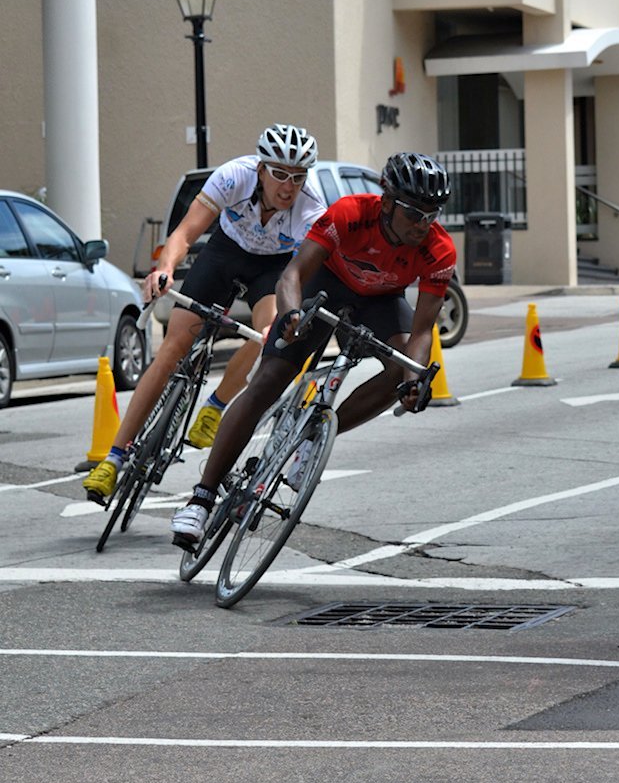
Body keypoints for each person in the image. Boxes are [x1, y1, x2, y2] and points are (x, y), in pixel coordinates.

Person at [169, 150, 457, 549]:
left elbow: (422, 330)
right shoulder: (350, 213)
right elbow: (293, 274)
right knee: (269, 380)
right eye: (414, 213)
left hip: (380, 301)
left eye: (433, 214)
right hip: (327, 283)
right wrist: (289, 316)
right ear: (388, 202)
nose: (423, 224)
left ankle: (317, 435)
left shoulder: (439, 249)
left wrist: (412, 379)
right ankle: (201, 499)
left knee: (399, 365)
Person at [83, 125, 324, 505]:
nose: (288, 186)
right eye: (279, 174)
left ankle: (216, 405)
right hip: (225, 253)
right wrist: (165, 268)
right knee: (174, 347)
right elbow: (184, 233)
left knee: (269, 333)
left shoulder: (311, 207)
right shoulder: (232, 176)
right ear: (261, 169)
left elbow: (304, 272)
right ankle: (114, 457)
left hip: (272, 267)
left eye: (298, 177)